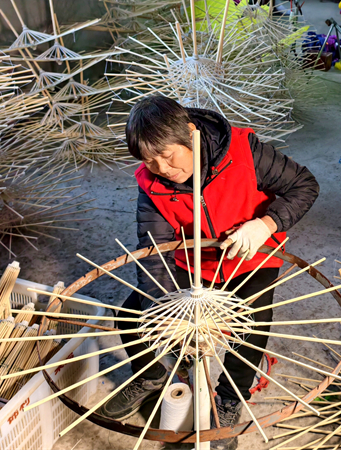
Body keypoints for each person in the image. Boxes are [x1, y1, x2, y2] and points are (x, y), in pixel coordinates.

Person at [102, 96, 318, 450]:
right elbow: (155, 248)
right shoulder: (151, 184)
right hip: (194, 262)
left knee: (249, 330)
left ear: (191, 134)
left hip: (251, 256)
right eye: (149, 160)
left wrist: (266, 224)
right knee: (132, 316)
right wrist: (162, 309)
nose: (162, 168)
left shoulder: (244, 151)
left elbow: (305, 185)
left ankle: (230, 398)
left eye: (168, 155)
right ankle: (156, 373)